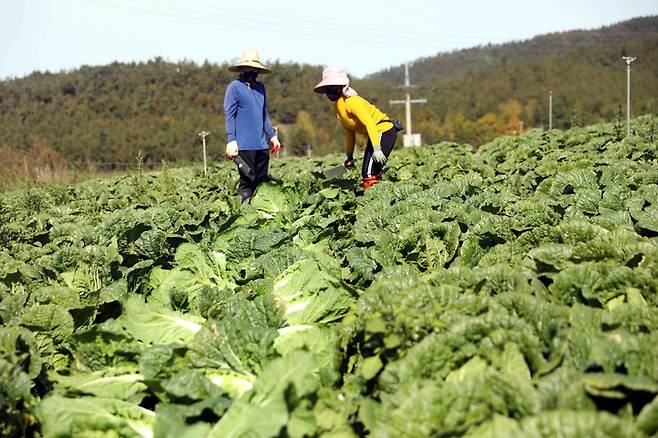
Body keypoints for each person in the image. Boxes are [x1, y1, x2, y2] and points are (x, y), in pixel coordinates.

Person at [314, 66, 400, 188]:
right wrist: (349, 155)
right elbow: (349, 131)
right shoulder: (338, 107)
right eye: (327, 89)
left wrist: (376, 148)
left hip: (383, 131)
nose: (329, 92)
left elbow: (369, 123)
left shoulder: (352, 101)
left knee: (368, 173)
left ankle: (373, 198)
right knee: (369, 171)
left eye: (332, 87)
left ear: (340, 87)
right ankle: (378, 193)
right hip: (376, 134)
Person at [224, 49, 281, 203]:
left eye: (254, 68)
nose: (251, 70)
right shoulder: (234, 87)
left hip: (262, 145)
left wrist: (272, 136)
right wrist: (231, 139)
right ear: (243, 68)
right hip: (244, 145)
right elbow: (230, 115)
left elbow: (264, 114)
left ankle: (260, 218)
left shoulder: (260, 88)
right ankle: (245, 217)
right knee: (247, 184)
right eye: (248, 67)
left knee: (262, 183)